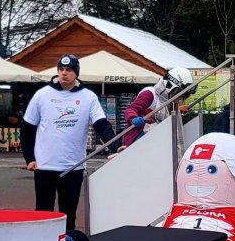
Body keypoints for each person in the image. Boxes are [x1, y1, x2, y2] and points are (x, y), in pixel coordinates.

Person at [21, 54, 116, 231]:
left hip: (73, 167)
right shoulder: (42, 95)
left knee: (68, 214)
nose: (64, 73)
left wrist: (115, 146)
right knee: (43, 214)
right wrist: (29, 158)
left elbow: (101, 124)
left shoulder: (88, 97)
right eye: (61, 69)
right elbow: (27, 128)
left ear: (76, 73)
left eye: (69, 70)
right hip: (45, 166)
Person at [122, 67, 196, 148]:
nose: (180, 98)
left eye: (184, 96)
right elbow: (131, 109)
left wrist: (179, 110)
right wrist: (133, 118)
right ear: (169, 86)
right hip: (139, 136)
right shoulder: (150, 94)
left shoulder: (170, 101)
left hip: (156, 139)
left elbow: (165, 114)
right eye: (179, 94)